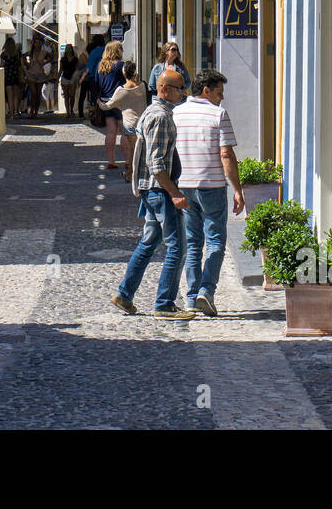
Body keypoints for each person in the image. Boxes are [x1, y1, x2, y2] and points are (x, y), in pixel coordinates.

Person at [110, 68, 194, 319]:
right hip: (159, 191)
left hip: (152, 191)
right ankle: (165, 303)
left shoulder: (154, 112)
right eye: (180, 88)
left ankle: (124, 295)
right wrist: (175, 193)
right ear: (164, 89)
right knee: (177, 248)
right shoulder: (160, 117)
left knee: (148, 244)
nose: (184, 93)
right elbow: (156, 164)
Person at [173, 67, 246, 316]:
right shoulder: (218, 114)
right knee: (215, 240)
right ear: (206, 91)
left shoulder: (176, 113)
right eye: (219, 92)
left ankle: (192, 298)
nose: (222, 97)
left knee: (193, 243)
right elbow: (226, 153)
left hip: (184, 184)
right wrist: (237, 189)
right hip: (212, 185)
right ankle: (206, 290)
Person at [98, 60, 147, 181]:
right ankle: (139, 172)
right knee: (141, 150)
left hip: (130, 124)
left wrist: (99, 102)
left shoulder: (121, 91)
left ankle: (130, 174)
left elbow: (107, 106)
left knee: (132, 150)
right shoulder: (142, 86)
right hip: (143, 122)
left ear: (124, 73)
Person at [91, 40, 127, 169]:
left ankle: (111, 161)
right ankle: (128, 161)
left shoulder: (100, 66)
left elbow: (94, 83)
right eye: (121, 48)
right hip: (119, 102)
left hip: (105, 102)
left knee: (111, 132)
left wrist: (97, 100)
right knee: (124, 132)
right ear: (117, 50)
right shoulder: (121, 65)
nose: (122, 51)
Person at [79, 34, 105, 117]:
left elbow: (89, 67)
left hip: (95, 77)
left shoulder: (94, 52)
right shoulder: (107, 50)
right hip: (106, 76)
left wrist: (82, 78)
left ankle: (98, 114)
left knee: (96, 97)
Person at [25, 38, 49, 118]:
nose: (37, 44)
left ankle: (36, 111)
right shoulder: (30, 52)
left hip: (40, 74)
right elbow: (22, 57)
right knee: (34, 93)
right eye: (36, 43)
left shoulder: (43, 52)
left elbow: (51, 57)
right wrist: (26, 68)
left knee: (38, 94)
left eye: (39, 43)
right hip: (31, 74)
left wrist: (44, 62)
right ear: (34, 44)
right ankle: (32, 110)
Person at [0, 37, 23, 119]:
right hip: (15, 75)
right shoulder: (17, 54)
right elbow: (21, 64)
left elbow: (1, 66)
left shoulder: (4, 54)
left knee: (9, 96)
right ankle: (16, 111)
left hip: (8, 76)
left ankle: (11, 114)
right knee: (16, 95)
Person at [59, 45, 82, 119]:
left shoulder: (75, 59)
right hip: (65, 78)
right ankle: (68, 112)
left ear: (71, 50)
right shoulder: (63, 59)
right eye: (67, 49)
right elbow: (61, 69)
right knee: (66, 96)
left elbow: (77, 69)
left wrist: (78, 79)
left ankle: (71, 109)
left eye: (69, 49)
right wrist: (57, 77)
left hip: (73, 78)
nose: (68, 50)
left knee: (72, 95)